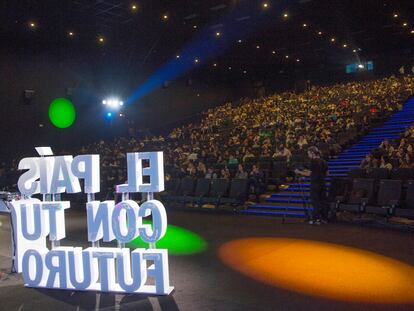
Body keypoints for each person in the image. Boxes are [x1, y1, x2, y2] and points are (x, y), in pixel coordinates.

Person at [295, 146, 328, 225]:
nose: (308, 155)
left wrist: (299, 172)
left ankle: (315, 219)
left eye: (309, 154)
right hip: (322, 184)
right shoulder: (323, 161)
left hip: (315, 184)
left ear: (312, 153)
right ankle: (323, 218)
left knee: (315, 202)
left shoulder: (313, 161)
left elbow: (309, 173)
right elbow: (327, 173)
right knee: (322, 201)